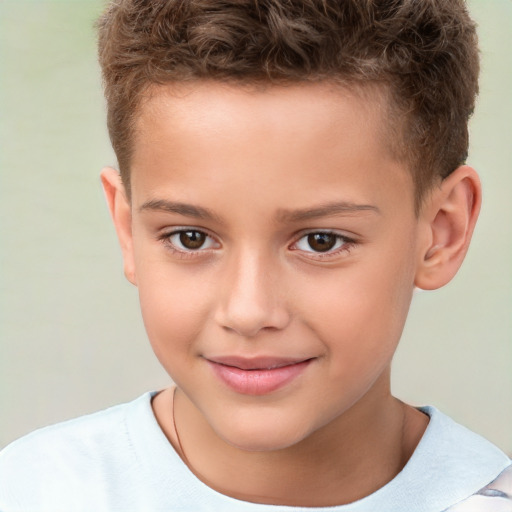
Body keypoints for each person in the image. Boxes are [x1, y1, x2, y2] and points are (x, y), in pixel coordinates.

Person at [0, 0, 510, 510]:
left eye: (321, 241)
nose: (247, 311)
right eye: (190, 238)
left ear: (442, 232)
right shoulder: (32, 491)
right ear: (128, 230)